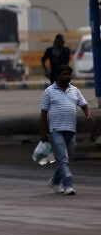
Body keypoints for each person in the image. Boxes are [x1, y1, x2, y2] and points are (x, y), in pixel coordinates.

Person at [40, 65, 92, 195]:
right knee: (63, 159)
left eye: (69, 74)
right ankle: (68, 184)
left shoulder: (75, 90)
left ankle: (55, 181)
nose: (67, 76)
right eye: (64, 74)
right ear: (58, 76)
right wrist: (43, 132)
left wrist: (88, 114)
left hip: (71, 129)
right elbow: (43, 113)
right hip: (56, 129)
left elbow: (84, 105)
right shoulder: (49, 91)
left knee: (67, 159)